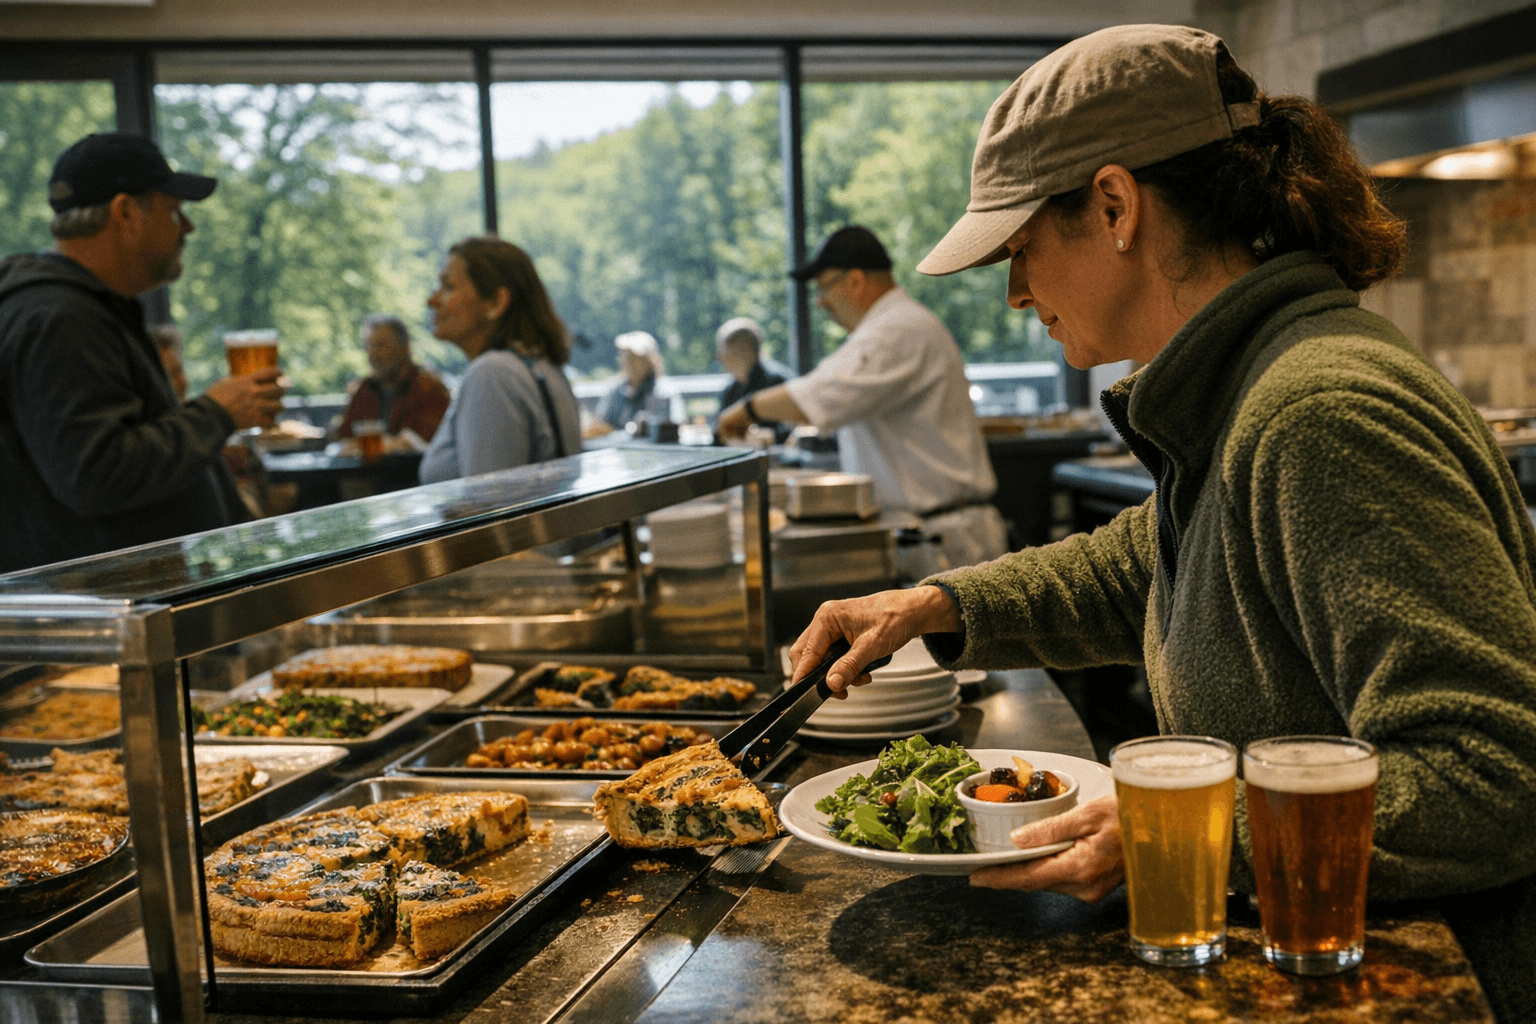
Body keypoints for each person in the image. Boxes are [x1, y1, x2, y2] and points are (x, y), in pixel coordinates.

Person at [787, 25, 1536, 1023]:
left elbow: (1492, 779)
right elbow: (1146, 564)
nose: (1015, 294)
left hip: (1407, 987)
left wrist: (1181, 833)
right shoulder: (1245, 387)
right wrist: (935, 605)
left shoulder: (1318, 409)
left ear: (1114, 206)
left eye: (1020, 251)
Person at [0, 132, 283, 574]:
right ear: (126, 212)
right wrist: (216, 413)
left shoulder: (75, 309)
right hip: (103, 619)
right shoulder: (63, 318)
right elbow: (96, 474)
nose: (187, 227)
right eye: (173, 210)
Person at [719, 225, 1006, 569]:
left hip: (944, 542)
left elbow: (821, 395)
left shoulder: (896, 329)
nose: (820, 301)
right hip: (933, 530)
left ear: (855, 281)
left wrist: (746, 410)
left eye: (824, 287)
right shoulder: (894, 325)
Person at [418, 236, 581, 484]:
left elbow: (490, 508)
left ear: (496, 302)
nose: (432, 300)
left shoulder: (492, 374)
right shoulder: (539, 366)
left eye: (448, 287)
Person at [334, 314, 450, 442]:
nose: (374, 354)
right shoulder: (363, 389)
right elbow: (340, 437)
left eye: (382, 345)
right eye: (369, 346)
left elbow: (433, 441)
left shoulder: (428, 387)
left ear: (403, 348)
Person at [585, 330, 665, 439]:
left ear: (650, 360)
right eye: (625, 355)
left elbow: (667, 431)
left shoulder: (662, 393)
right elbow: (599, 424)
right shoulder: (615, 391)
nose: (628, 361)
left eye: (635, 357)